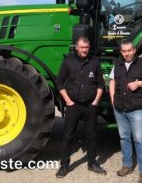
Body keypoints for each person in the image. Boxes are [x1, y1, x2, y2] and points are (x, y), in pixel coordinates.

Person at [55, 36, 107, 178]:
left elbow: (101, 84)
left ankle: (92, 163)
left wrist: (95, 101)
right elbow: (59, 82)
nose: (84, 50)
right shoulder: (68, 62)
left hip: (90, 106)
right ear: (76, 47)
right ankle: (64, 166)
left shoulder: (94, 62)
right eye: (82, 47)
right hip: (73, 106)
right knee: (68, 136)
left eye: (87, 47)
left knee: (91, 136)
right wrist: (68, 101)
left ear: (89, 48)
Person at [109, 40, 142, 183]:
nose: (127, 53)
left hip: (136, 109)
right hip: (119, 109)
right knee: (124, 138)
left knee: (139, 139)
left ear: (134, 50)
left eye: (129, 50)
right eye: (124, 51)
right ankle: (127, 166)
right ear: (121, 52)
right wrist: (113, 100)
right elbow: (111, 81)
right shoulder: (117, 65)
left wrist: (139, 83)